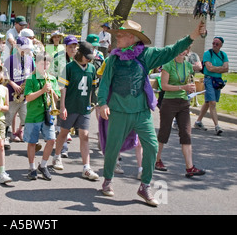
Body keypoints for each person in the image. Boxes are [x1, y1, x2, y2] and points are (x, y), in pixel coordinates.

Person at [98, 19, 205, 207]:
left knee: (152, 146)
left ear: (132, 38)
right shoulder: (113, 59)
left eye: (121, 35)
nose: (117, 38)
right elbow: (105, 82)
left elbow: (170, 50)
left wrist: (193, 35)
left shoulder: (147, 55)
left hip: (141, 112)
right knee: (112, 148)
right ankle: (107, 180)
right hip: (119, 111)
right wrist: (101, 104)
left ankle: (145, 186)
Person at [156, 48, 206, 177]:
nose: (181, 52)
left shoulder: (188, 66)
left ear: (187, 52)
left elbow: (189, 82)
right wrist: (183, 87)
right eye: (179, 49)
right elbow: (164, 86)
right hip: (169, 102)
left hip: (183, 103)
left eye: (184, 50)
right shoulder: (168, 65)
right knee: (164, 132)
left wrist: (190, 88)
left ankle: (190, 167)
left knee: (186, 133)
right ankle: (157, 160)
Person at [54, 42, 100, 180]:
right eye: (87, 56)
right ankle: (57, 156)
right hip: (70, 106)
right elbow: (63, 89)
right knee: (64, 132)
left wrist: (93, 104)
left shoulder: (91, 68)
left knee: (84, 135)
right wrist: (62, 107)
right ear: (80, 54)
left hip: (84, 107)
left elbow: (93, 88)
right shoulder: (69, 68)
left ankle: (86, 167)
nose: (89, 59)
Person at [24, 51, 60, 181]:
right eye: (42, 63)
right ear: (36, 64)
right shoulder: (31, 79)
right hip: (33, 115)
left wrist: (52, 92)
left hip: (48, 115)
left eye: (47, 63)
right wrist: (43, 90)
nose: (45, 65)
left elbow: (57, 98)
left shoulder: (52, 79)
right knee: (32, 142)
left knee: (51, 140)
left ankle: (43, 165)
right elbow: (28, 97)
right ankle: (32, 167)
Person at [194, 36, 229, 135]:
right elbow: (209, 68)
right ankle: (217, 126)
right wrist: (220, 68)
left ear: (221, 45)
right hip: (208, 79)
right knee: (212, 103)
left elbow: (226, 68)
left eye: (217, 44)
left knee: (208, 102)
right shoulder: (207, 54)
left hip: (218, 81)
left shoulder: (223, 55)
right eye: (213, 43)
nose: (214, 45)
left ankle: (198, 122)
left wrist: (215, 68)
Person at [4, 37, 35, 143]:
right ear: (17, 47)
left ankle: (24, 135)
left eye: (28, 49)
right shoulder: (10, 59)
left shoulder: (30, 60)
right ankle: (5, 137)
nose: (26, 51)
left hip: (24, 94)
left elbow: (32, 74)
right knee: (8, 117)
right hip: (12, 94)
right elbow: (4, 75)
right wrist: (13, 84)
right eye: (24, 49)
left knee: (26, 117)